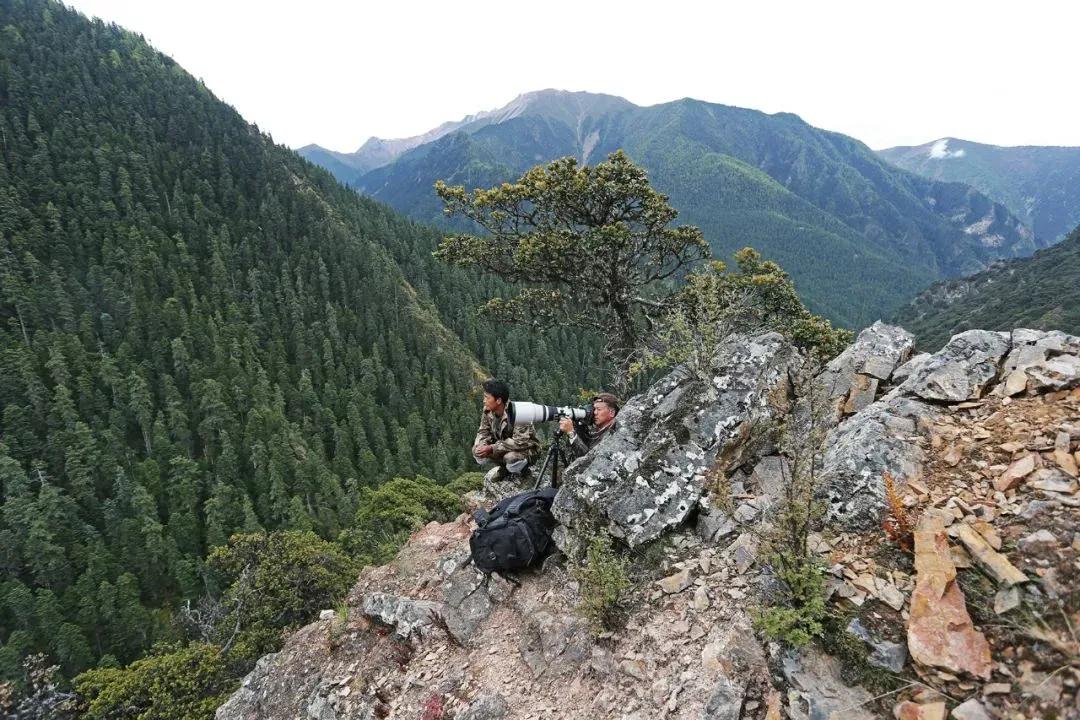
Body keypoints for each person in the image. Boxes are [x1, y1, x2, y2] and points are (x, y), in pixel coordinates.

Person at [473, 378, 541, 484]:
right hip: (503, 446)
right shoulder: (487, 410)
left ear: (499, 400)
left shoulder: (519, 413)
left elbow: (520, 443)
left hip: (526, 449)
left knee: (511, 458)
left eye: (487, 397)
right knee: (477, 450)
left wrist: (492, 448)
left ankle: (522, 471)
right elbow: (483, 431)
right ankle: (504, 469)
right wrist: (481, 445)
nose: (484, 401)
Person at [559, 392, 620, 460]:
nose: (595, 412)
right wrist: (580, 425)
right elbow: (583, 448)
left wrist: (571, 432)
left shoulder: (613, 435)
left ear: (612, 413)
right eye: (594, 409)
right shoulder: (598, 432)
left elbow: (588, 460)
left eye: (599, 409)